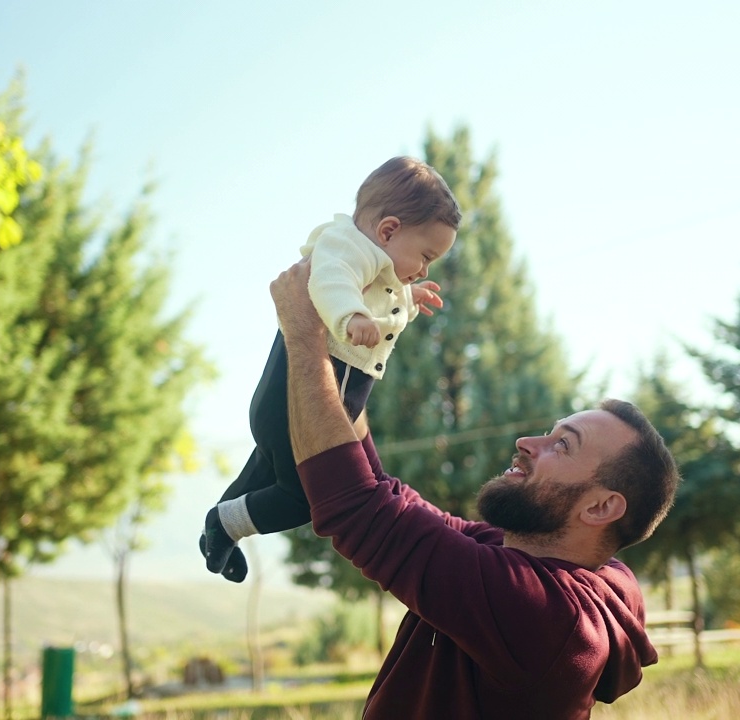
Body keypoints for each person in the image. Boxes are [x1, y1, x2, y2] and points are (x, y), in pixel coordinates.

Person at [268, 259, 681, 719]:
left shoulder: (545, 616)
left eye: (562, 445)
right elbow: (383, 496)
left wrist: (303, 335)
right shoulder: (552, 564)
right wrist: (351, 360)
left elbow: (360, 511)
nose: (528, 443)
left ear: (602, 506)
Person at [201, 157, 461, 582]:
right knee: (306, 497)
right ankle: (224, 524)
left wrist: (409, 298)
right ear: (389, 231)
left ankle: (221, 531)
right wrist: (351, 317)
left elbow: (379, 294)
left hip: (284, 408)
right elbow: (332, 280)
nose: (425, 269)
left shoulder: (374, 264)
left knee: (264, 472)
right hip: (292, 411)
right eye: (425, 256)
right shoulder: (345, 249)